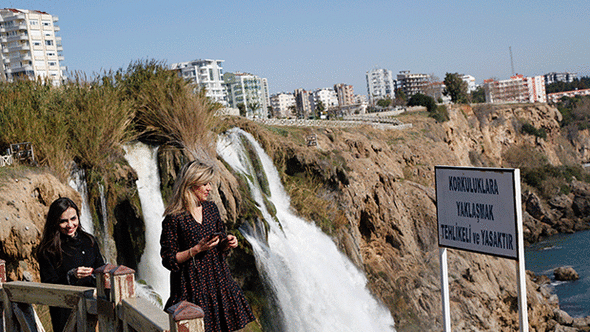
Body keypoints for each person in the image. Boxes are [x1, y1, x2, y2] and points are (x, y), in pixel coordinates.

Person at [160, 160, 255, 332]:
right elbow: (168, 259)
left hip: (218, 284)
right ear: (191, 183)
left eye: (209, 183)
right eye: (205, 183)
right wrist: (195, 250)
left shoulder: (211, 209)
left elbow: (220, 244)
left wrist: (227, 243)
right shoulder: (174, 218)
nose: (209, 188)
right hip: (191, 289)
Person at [37, 197, 105, 332]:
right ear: (55, 222)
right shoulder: (47, 250)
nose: (70, 225)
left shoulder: (89, 241)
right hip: (65, 314)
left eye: (73, 219)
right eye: (63, 221)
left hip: (93, 311)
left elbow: (100, 269)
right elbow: (48, 285)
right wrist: (71, 276)